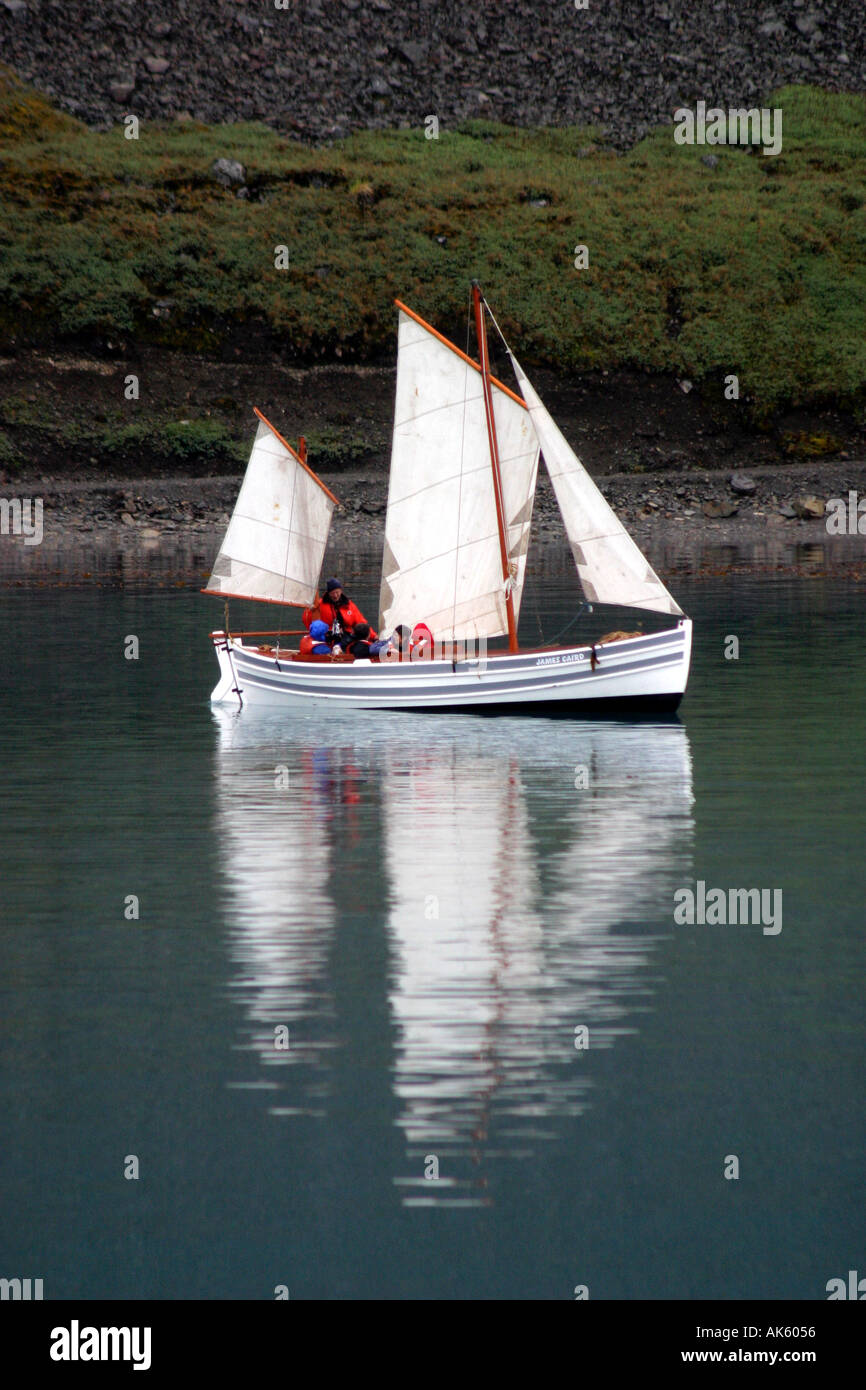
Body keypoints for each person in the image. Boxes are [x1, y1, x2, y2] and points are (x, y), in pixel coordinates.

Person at [318, 578, 375, 646]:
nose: (335, 595)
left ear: (341, 591)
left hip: (347, 636)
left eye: (337, 592)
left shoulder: (349, 605)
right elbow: (309, 621)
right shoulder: (319, 605)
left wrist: (373, 636)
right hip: (328, 636)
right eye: (332, 593)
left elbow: (361, 622)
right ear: (328, 593)